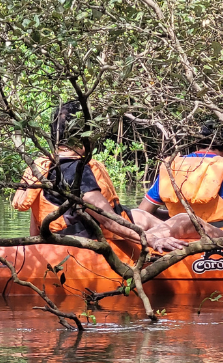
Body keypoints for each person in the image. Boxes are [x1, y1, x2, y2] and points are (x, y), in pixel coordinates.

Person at [12, 102, 187, 252]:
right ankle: (213, 252)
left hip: (61, 236)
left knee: (143, 215)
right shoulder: (77, 170)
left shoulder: (44, 166)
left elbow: (37, 220)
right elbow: (108, 221)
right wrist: (152, 240)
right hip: (86, 241)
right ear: (84, 133)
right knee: (185, 221)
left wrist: (34, 247)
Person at [137, 122, 223, 230]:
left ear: (198, 144)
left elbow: (143, 211)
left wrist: (173, 217)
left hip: (179, 234)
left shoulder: (172, 166)